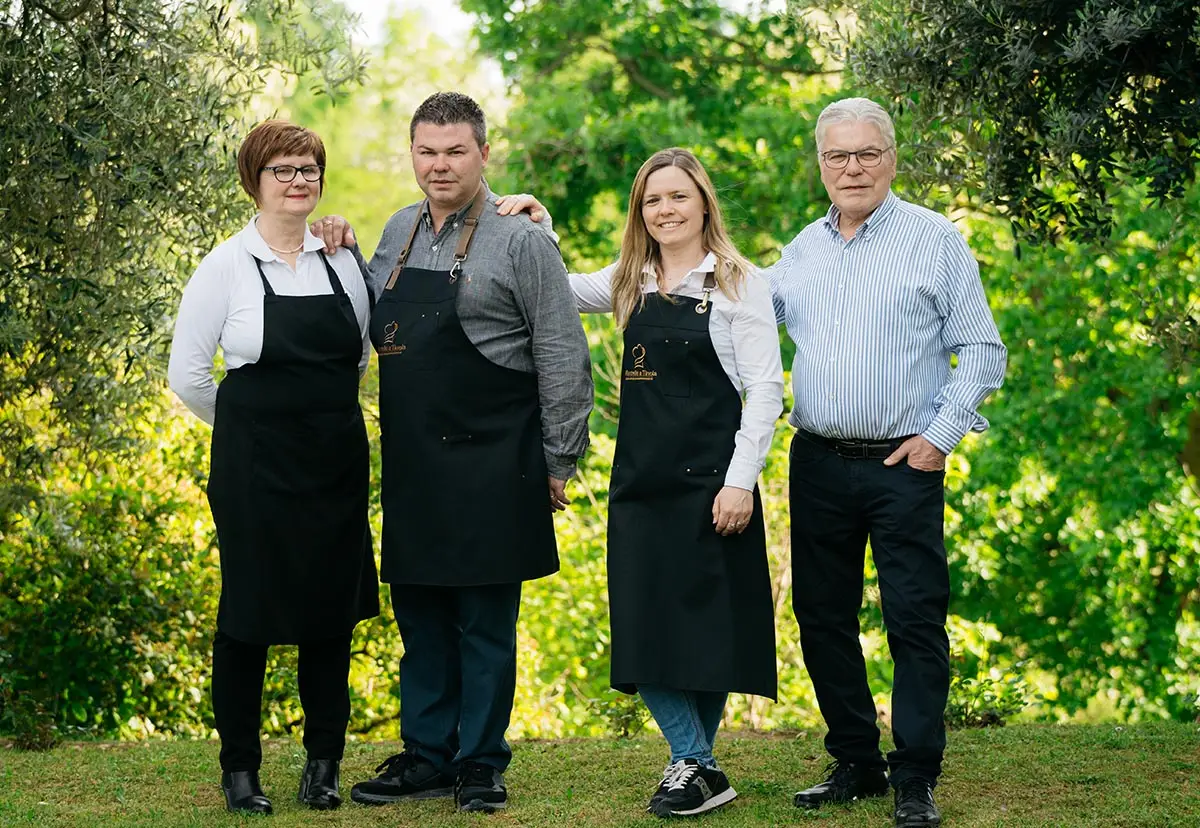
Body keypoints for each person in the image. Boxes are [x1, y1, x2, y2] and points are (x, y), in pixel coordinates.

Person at [311, 91, 593, 815]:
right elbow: (363, 314)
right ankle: (427, 756)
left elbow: (563, 351)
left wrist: (560, 461)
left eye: (455, 151)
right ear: (411, 154)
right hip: (414, 463)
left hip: (499, 463)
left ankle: (480, 763)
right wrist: (335, 242)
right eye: (427, 151)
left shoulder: (523, 239)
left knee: (484, 624)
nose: (440, 165)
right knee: (422, 619)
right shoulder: (397, 230)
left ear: (484, 154)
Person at [498, 147, 782, 818]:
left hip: (715, 484)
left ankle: (693, 768)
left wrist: (740, 483)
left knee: (707, 636)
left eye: (678, 196)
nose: (665, 209)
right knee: (642, 626)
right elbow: (559, 290)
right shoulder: (631, 280)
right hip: (640, 485)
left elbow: (766, 394)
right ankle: (699, 763)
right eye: (653, 200)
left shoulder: (739, 282)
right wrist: (541, 231)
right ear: (641, 211)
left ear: (703, 202)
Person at [762, 98, 1007, 828]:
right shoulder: (800, 252)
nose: (852, 167)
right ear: (821, 164)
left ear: (892, 158)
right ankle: (857, 762)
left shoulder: (934, 240)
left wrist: (940, 437)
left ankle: (916, 775)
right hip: (818, 461)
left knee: (915, 618)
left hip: (906, 464)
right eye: (838, 155)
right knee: (821, 615)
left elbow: (984, 351)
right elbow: (730, 315)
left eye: (867, 153)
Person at [167, 120, 379, 814]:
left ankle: (323, 767)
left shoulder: (342, 259)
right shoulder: (225, 264)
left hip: (335, 464)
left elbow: (359, 357)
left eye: (309, 169)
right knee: (248, 616)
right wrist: (248, 431)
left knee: (329, 616)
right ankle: (240, 773)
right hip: (255, 469)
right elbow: (189, 376)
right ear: (255, 181)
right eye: (283, 170)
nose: (299, 181)